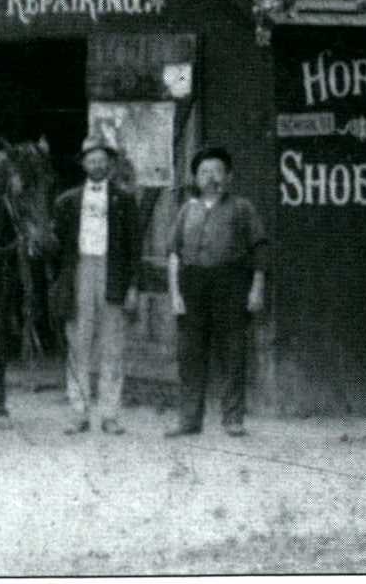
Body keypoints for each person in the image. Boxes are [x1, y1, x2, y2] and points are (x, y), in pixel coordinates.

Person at [165, 146, 268, 438]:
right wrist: (175, 294)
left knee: (233, 352)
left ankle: (232, 419)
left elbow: (260, 250)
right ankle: (188, 420)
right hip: (192, 285)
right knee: (189, 355)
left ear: (229, 177)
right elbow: (173, 254)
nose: (211, 178)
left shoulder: (242, 208)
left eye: (217, 172)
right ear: (196, 179)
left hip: (231, 284)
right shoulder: (187, 209)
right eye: (204, 172)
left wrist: (256, 289)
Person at [51, 131, 143, 435]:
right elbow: (56, 247)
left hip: (112, 272)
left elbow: (134, 248)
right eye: (92, 160)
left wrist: (132, 286)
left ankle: (110, 414)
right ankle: (78, 412)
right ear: (84, 164)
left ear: (110, 165)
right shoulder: (66, 202)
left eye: (103, 160)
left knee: (112, 346)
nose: (98, 165)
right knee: (78, 344)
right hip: (80, 271)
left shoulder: (125, 200)